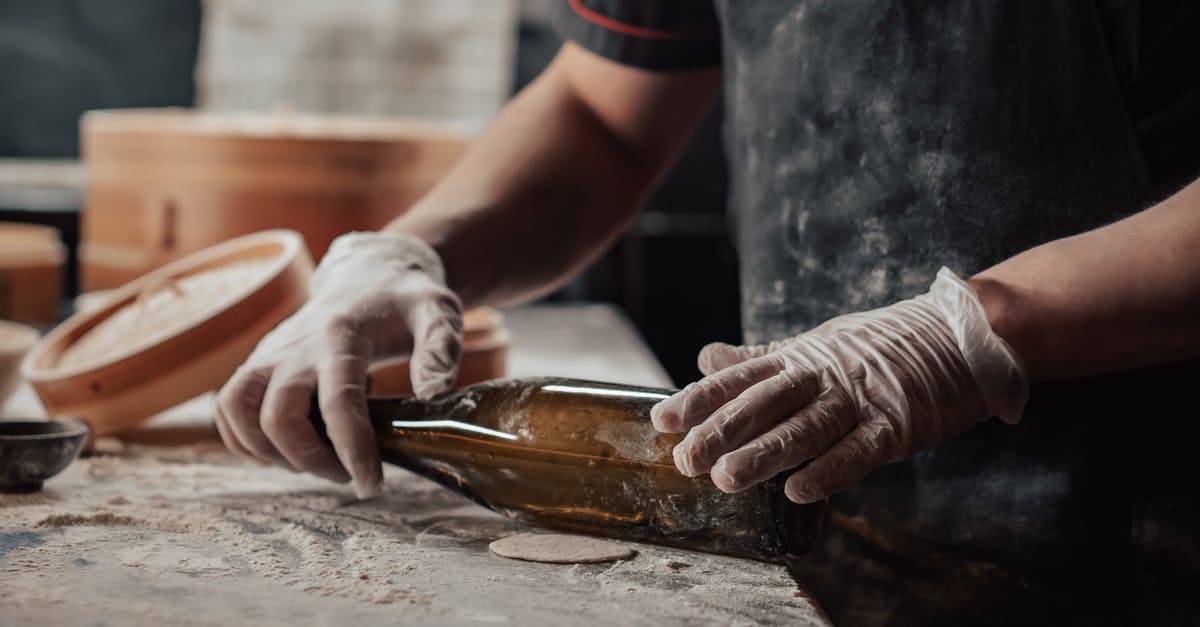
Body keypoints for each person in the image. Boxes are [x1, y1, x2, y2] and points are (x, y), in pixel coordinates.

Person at [214, 2, 1200, 623]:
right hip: (807, 531)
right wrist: (410, 251)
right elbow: (603, 115)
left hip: (1145, 549)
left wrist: (979, 329)